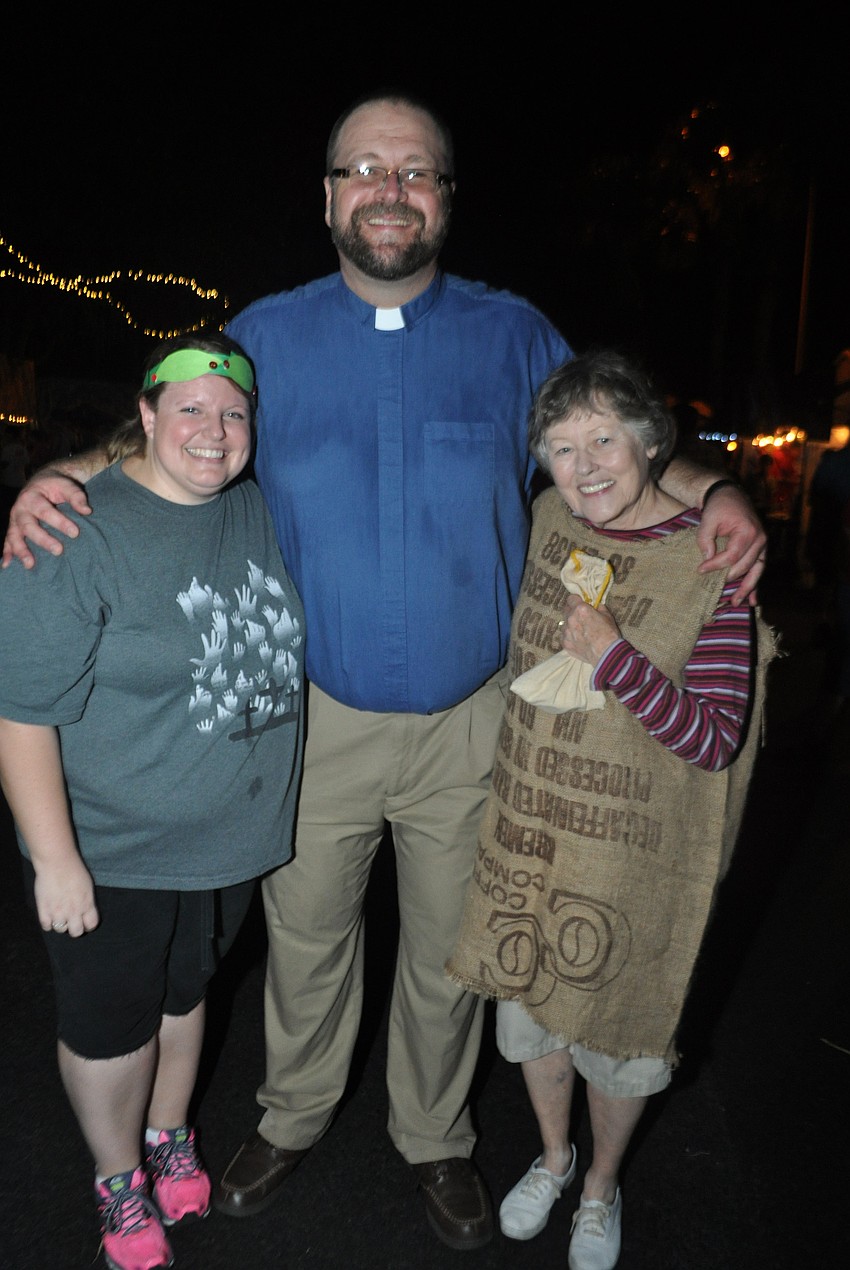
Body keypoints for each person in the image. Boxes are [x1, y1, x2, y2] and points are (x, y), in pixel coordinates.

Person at [0, 90, 768, 1253]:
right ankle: (292, 1114)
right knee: (305, 939)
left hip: (473, 718)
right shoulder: (265, 334)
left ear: (446, 199)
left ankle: (435, 1136)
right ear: (327, 199)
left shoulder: (515, 335)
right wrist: (56, 477)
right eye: (364, 169)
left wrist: (721, 492)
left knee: (450, 952)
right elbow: (172, 431)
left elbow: (620, 443)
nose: (389, 190)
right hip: (311, 719)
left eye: (415, 171)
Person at [446, 349, 775, 1269]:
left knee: (621, 1037)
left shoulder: (712, 565)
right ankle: (554, 1158)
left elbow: (713, 739)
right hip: (536, 832)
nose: (584, 465)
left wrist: (615, 658)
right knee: (530, 1015)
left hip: (636, 856)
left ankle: (599, 1187)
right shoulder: (551, 520)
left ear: (650, 442)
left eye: (603, 440)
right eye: (561, 447)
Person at [0, 335, 305, 1270]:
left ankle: (169, 1134)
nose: (214, 431)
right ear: (144, 415)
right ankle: (116, 1176)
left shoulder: (254, 506)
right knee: (111, 1030)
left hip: (225, 843)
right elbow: (19, 713)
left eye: (233, 412)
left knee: (185, 995)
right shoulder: (75, 529)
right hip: (115, 849)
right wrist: (56, 860)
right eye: (190, 409)